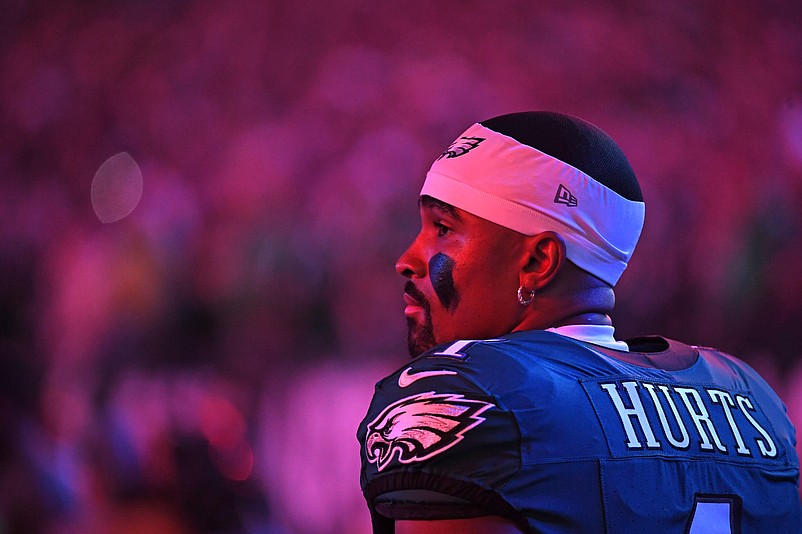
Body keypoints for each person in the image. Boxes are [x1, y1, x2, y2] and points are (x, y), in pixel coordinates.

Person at [356, 111, 802, 533]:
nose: (406, 260)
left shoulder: (472, 395)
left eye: (443, 228)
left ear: (537, 261)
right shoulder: (750, 397)